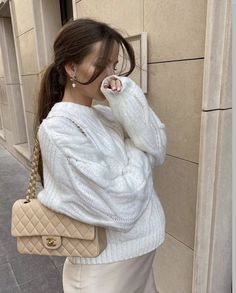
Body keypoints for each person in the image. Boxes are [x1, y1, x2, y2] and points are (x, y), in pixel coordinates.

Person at [34, 18, 166, 293]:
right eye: (101, 64)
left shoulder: (107, 114)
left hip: (136, 260)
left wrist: (126, 96)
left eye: (114, 65)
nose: (111, 75)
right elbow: (122, 207)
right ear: (71, 67)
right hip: (105, 273)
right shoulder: (58, 130)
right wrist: (134, 148)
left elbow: (157, 147)